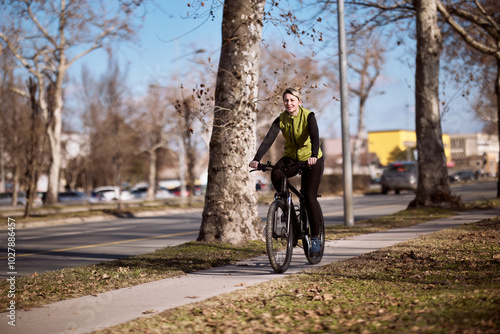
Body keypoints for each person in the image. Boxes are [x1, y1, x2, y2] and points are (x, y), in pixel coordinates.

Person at [249, 87, 324, 257]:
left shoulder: (308, 116)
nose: (289, 103)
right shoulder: (281, 119)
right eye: (286, 100)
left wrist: (313, 155)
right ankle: (285, 205)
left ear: (299, 102)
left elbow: (314, 137)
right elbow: (269, 139)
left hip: (312, 159)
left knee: (308, 196)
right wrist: (256, 158)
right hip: (292, 158)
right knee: (276, 172)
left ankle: (315, 239)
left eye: (292, 100)